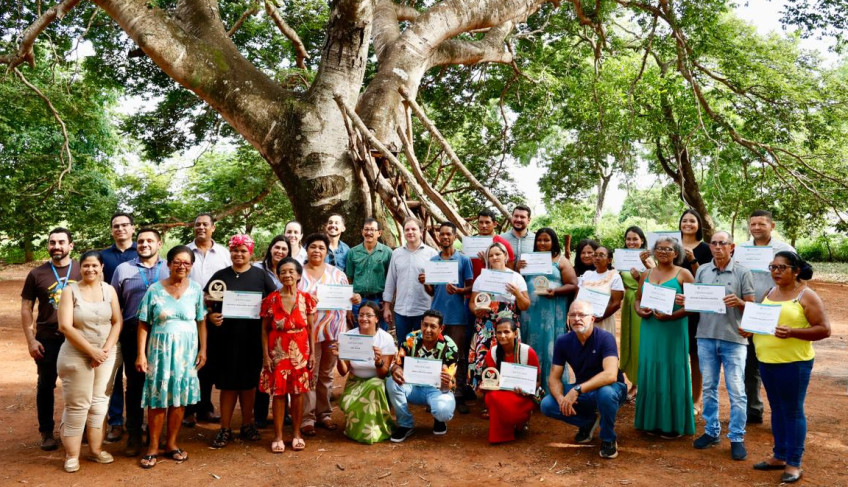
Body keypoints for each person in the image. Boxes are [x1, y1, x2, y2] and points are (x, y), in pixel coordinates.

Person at [751, 252, 829, 484]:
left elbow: (824, 329)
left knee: (793, 411)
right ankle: (779, 455)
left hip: (794, 363)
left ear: (796, 271)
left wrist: (793, 332)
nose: (776, 271)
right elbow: (762, 323)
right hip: (766, 360)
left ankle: (794, 463)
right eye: (773, 267)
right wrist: (749, 329)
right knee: (776, 409)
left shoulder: (807, 295)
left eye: (782, 267)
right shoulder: (769, 292)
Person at [136, 245, 208, 469]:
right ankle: (153, 446)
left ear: (191, 266)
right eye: (177, 261)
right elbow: (143, 323)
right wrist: (141, 354)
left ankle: (172, 444)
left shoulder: (196, 290)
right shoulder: (154, 290)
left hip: (186, 354)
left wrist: (203, 349)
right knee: (158, 398)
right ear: (168, 264)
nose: (182, 266)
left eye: (186, 263)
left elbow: (201, 321)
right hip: (159, 352)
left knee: (179, 397)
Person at [687, 230, 755, 461]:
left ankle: (736, 437)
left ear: (731, 246)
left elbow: (752, 307)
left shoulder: (743, 272)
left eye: (722, 243)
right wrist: (685, 300)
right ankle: (712, 431)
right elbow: (696, 301)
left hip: (734, 339)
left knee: (736, 390)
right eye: (714, 243)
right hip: (705, 336)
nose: (717, 247)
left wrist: (740, 302)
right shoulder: (704, 270)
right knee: (708, 387)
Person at [206, 235, 277, 449]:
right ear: (230, 252)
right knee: (227, 386)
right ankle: (225, 428)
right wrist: (210, 316)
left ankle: (247, 424)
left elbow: (274, 302)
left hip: (252, 339)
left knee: (248, 385)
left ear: (251, 253)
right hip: (225, 340)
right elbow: (206, 301)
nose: (239, 254)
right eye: (235, 250)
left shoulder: (260, 276)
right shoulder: (220, 276)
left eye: (243, 251)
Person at [56, 250, 122, 472]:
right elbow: (65, 326)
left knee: (99, 403)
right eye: (86, 265)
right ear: (80, 268)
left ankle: (95, 450)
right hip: (76, 354)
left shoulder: (109, 290)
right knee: (77, 405)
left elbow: (117, 322)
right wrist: (92, 352)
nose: (90, 269)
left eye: (95, 265)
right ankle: (72, 455)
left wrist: (104, 349)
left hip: (106, 353)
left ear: (102, 267)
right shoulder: (69, 291)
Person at [540, 300, 628, 459]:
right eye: (572, 315)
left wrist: (577, 389)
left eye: (582, 315)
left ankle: (608, 439)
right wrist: (561, 399)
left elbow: (610, 375)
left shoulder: (605, 338)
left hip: (613, 388)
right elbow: (554, 378)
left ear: (592, 319)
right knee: (547, 404)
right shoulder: (563, 341)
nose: (576, 318)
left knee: (606, 394)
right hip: (584, 391)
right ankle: (587, 422)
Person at [21, 227, 81, 451]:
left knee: (79, 384)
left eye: (61, 242)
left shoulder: (82, 269)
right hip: (47, 339)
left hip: (78, 338)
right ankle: (46, 432)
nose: (56, 246)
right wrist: (30, 340)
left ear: (70, 245)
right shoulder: (37, 274)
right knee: (46, 385)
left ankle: (77, 427)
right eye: (52, 242)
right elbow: (26, 307)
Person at [110, 228, 169, 456]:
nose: (145, 244)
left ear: (159, 243)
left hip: (163, 331)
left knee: (161, 382)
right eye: (141, 241)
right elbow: (114, 304)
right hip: (132, 330)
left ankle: (158, 434)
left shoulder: (168, 267)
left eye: (150, 241)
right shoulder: (123, 269)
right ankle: (134, 433)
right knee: (134, 383)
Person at [633, 237, 695, 438]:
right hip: (651, 328)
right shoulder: (646, 274)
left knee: (672, 371)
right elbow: (638, 299)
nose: (663, 252)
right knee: (650, 369)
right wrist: (639, 311)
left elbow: (695, 304)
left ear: (676, 253)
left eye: (668, 249)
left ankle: (673, 425)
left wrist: (673, 315)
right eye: (659, 248)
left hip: (673, 330)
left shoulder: (683, 274)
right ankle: (650, 422)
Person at [298, 233, 360, 435]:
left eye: (321, 248)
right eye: (313, 247)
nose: (317, 251)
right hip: (308, 332)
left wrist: (354, 298)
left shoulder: (337, 274)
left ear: (327, 251)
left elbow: (347, 300)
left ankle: (323, 414)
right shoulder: (299, 274)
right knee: (310, 373)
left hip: (333, 330)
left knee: (326, 374)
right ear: (306, 250)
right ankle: (307, 418)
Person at [743, 209, 796, 425]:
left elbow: (797, 279)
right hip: (748, 313)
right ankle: (753, 410)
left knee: (776, 366)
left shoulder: (785, 250)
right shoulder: (743, 250)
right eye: (753, 224)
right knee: (750, 365)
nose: (756, 227)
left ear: (772, 226)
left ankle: (781, 416)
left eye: (761, 224)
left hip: (775, 313)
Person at [259, 257, 316, 453]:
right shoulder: (271, 300)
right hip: (278, 352)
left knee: (298, 393)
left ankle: (297, 434)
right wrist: (266, 355)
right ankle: (278, 436)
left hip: (300, 351)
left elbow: (310, 327)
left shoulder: (306, 299)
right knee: (279, 393)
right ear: (278, 275)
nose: (287, 275)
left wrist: (312, 354)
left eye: (291, 271)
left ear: (299, 275)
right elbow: (265, 330)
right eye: (283, 271)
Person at [468, 242, 530, 407]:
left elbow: (525, 305)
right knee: (484, 360)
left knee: (507, 360)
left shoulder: (516, 277)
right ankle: (488, 401)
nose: (494, 257)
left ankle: (507, 400)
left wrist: (516, 292)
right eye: (491, 255)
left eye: (498, 254)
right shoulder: (482, 278)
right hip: (485, 326)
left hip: (507, 327)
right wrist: (476, 311)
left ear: (506, 256)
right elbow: (472, 304)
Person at [421, 222, 474, 412]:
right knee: (437, 355)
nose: (444, 237)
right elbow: (431, 291)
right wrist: (424, 282)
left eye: (448, 234)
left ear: (454, 236)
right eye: (441, 235)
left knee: (458, 354)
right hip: (437, 316)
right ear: (438, 237)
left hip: (458, 315)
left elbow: (471, 286)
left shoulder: (463, 260)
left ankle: (458, 392)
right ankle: (436, 392)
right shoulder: (433, 261)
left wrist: (460, 290)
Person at [185, 212, 231, 426]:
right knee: (187, 363)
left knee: (209, 364)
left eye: (205, 224)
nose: (201, 227)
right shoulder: (185, 252)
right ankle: (186, 411)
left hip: (215, 317)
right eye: (197, 224)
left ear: (214, 227)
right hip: (187, 317)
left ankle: (205, 408)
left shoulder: (224, 254)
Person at [519, 228, 577, 393]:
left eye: (546, 240)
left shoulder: (561, 261)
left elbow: (573, 284)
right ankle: (529, 390)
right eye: (539, 240)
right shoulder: (528, 259)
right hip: (530, 313)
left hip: (552, 313)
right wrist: (518, 267)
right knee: (530, 347)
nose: (542, 243)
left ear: (553, 242)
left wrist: (555, 291)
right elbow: (518, 282)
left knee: (551, 350)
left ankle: (552, 390)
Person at [386, 310, 458, 442]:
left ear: (441, 328)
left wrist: (447, 383)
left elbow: (451, 381)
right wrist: (396, 370)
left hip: (436, 390)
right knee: (391, 382)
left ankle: (439, 418)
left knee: (443, 412)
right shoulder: (410, 339)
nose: (428, 330)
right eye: (425, 325)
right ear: (420, 324)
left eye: (433, 326)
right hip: (412, 387)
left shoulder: (450, 346)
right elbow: (397, 364)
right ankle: (405, 424)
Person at [332, 301, 397, 444]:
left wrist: (378, 361)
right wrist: (339, 356)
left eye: (369, 315)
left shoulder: (385, 338)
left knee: (375, 385)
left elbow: (383, 374)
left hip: (378, 383)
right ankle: (357, 430)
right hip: (355, 383)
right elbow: (343, 372)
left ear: (376, 318)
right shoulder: (349, 336)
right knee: (366, 392)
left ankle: (374, 431)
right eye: (361, 315)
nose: (364, 318)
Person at [101, 212, 137, 444]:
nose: (120, 229)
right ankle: (115, 422)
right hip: (109, 325)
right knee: (111, 376)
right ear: (112, 230)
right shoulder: (103, 256)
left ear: (133, 228)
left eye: (125, 225)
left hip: (137, 326)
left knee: (136, 376)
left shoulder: (143, 252)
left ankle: (137, 419)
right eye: (116, 226)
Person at [382, 217, 439, 345]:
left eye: (414, 229)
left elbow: (437, 285)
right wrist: (386, 308)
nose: (410, 232)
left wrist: (428, 280)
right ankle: (402, 366)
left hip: (424, 310)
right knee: (404, 346)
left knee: (423, 347)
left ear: (421, 231)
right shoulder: (396, 253)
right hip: (401, 310)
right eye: (407, 229)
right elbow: (390, 281)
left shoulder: (432, 254)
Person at [483, 318, 540, 444]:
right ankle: (503, 433)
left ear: (515, 333)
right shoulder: (492, 353)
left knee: (503, 403)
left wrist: (526, 389)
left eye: (506, 332)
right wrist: (489, 385)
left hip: (523, 396)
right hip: (500, 393)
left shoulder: (527, 352)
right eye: (499, 332)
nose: (502, 336)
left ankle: (520, 420)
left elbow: (538, 382)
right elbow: (489, 379)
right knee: (491, 397)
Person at [678, 209, 712, 415]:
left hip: (695, 307)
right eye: (684, 220)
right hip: (672, 303)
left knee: (694, 354)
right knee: (674, 353)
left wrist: (692, 260)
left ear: (699, 225)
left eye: (692, 221)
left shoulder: (706, 249)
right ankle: (676, 396)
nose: (688, 224)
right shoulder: (671, 245)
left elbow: (706, 280)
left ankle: (696, 400)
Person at [618, 226, 650, 400]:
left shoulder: (648, 259)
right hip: (627, 304)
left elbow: (655, 281)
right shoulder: (621, 257)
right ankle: (632, 382)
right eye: (628, 239)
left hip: (642, 302)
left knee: (639, 342)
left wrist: (639, 278)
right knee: (628, 341)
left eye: (635, 239)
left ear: (642, 241)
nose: (631, 242)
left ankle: (641, 384)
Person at [346, 218, 393, 331]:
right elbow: (349, 280)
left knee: (380, 332)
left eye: (372, 229)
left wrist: (387, 304)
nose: (369, 233)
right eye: (366, 229)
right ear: (362, 232)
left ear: (379, 233)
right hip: (358, 300)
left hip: (379, 300)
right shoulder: (353, 252)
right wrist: (348, 307)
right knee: (359, 332)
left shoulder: (387, 252)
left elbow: (391, 280)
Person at [577, 246, 624, 335]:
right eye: (595, 255)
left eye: (601, 255)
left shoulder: (614, 276)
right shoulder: (587, 275)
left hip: (603, 320)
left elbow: (616, 303)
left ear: (609, 260)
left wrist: (601, 316)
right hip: (585, 320)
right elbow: (579, 297)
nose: (597, 258)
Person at [470, 209, 515, 278]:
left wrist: (488, 262)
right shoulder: (470, 243)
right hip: (473, 285)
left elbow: (510, 269)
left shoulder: (504, 244)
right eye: (481, 222)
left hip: (495, 284)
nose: (484, 225)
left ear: (494, 224)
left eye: (487, 222)